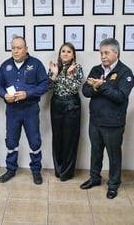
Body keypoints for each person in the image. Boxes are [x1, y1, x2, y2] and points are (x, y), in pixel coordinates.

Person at [80, 38, 134, 199]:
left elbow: (120, 96)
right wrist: (95, 87)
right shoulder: (96, 70)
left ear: (116, 53)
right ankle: (95, 178)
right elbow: (85, 91)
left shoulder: (125, 72)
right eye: (101, 53)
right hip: (95, 120)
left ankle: (113, 184)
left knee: (113, 154)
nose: (103, 56)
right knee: (96, 151)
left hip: (113, 122)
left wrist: (100, 86)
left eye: (106, 52)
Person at [0, 36, 49, 185]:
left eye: (19, 48)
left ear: (26, 49)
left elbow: (45, 84)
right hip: (12, 110)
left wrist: (28, 93)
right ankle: (11, 169)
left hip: (30, 109)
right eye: (13, 48)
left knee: (34, 141)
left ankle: (36, 170)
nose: (16, 51)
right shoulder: (5, 65)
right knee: (11, 141)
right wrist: (4, 95)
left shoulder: (36, 64)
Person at [48, 42, 84, 181]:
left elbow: (74, 89)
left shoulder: (77, 68)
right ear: (59, 53)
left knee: (70, 138)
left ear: (73, 54)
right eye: (63, 51)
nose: (65, 54)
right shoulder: (55, 67)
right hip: (56, 103)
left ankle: (67, 172)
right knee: (57, 137)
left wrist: (69, 75)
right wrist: (54, 74)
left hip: (72, 104)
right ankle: (58, 169)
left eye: (69, 51)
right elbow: (48, 87)